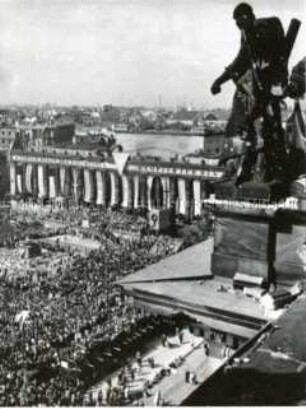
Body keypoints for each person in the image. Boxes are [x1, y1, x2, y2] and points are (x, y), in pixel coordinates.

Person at [211, 2, 289, 185]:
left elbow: (278, 56)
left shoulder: (268, 27)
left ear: (247, 18)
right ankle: (241, 169)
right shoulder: (247, 36)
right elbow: (241, 61)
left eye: (240, 23)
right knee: (244, 125)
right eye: (237, 25)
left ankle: (276, 174)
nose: (239, 28)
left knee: (271, 127)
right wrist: (219, 81)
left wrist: (278, 84)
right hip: (260, 87)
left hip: (271, 85)